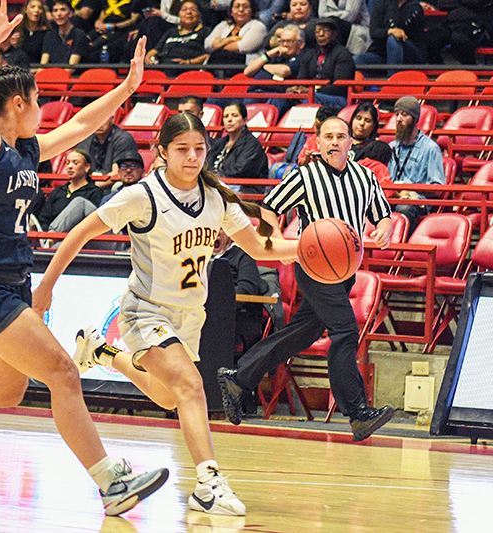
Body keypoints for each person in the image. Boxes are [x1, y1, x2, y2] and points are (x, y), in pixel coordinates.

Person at [0, 0, 168, 516]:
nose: (45, 106)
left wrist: (129, 88)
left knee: (8, 387)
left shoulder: (27, 151)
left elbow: (86, 125)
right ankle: (111, 482)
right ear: (18, 103)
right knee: (64, 373)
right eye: (39, 98)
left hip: (11, 283)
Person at [34, 112, 300, 516]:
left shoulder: (217, 197)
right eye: (182, 150)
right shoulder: (142, 195)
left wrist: (307, 249)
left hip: (190, 317)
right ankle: (209, 483)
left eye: (199, 149)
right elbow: (80, 231)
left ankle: (101, 352)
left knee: (168, 396)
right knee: (192, 386)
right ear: (161, 152)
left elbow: (262, 249)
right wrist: (47, 286)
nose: (192, 157)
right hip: (146, 311)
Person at [219, 116, 397, 443]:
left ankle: (239, 376)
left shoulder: (366, 178)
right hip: (313, 264)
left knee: (303, 332)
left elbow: (382, 214)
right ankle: (357, 413)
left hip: (345, 269)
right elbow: (269, 209)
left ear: (349, 142)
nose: (334, 141)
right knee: (345, 330)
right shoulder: (304, 176)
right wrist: (275, 244)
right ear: (317, 141)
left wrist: (383, 228)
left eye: (340, 136)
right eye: (327, 136)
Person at [268, 18, 355, 116]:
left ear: (334, 34)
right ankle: (267, 130)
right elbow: (301, 79)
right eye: (318, 31)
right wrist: (294, 89)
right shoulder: (310, 54)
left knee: (310, 98)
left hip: (337, 98)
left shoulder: (343, 54)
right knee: (279, 99)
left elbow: (340, 87)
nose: (321, 34)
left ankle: (305, 130)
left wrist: (313, 90)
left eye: (325, 31)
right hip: (312, 93)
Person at [387, 95, 444, 230]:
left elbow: (437, 189)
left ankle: (404, 249)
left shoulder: (430, 148)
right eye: (397, 114)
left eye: (405, 115)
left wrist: (410, 188)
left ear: (415, 119)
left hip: (416, 200)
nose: (399, 119)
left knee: (404, 208)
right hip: (393, 195)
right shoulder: (392, 146)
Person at [207, 101, 268, 195]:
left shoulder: (252, 144)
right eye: (226, 116)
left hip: (245, 190)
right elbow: (208, 161)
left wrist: (213, 177)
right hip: (220, 184)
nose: (229, 120)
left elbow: (239, 171)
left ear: (244, 120)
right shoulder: (221, 142)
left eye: (234, 115)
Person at [36, 149, 104, 232]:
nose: (70, 166)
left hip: (78, 238)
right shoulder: (57, 192)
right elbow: (44, 219)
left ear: (87, 167)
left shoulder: (95, 192)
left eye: (75, 163)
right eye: (67, 163)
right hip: (52, 238)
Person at [353, 0, 425, 69]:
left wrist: (393, 32)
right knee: (357, 60)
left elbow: (400, 26)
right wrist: (389, 31)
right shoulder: (382, 3)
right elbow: (373, 32)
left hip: (408, 53)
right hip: (382, 53)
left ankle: (392, 78)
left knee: (393, 39)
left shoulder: (415, 7)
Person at [145, 0, 210, 71]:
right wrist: (148, 58)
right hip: (165, 66)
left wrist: (189, 62)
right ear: (179, 14)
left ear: (199, 15)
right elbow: (155, 50)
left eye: (193, 9)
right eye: (184, 9)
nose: (188, 12)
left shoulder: (205, 31)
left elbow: (208, 55)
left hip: (188, 69)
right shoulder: (171, 32)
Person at [204, 0, 265, 74]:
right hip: (216, 65)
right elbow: (207, 44)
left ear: (252, 11)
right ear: (231, 11)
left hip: (243, 69)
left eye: (245, 7)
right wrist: (231, 39)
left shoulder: (258, 26)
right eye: (237, 6)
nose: (241, 10)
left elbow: (244, 47)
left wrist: (217, 45)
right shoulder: (224, 25)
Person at [244, 24, 303, 101]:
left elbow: (284, 71)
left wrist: (264, 66)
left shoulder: (302, 57)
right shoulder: (275, 55)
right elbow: (247, 72)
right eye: (282, 41)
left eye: (289, 41)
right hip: (254, 92)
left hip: (274, 95)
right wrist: (268, 54)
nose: (285, 45)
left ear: (301, 44)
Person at [75, 114, 140, 182]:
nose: (98, 124)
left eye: (102, 119)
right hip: (89, 185)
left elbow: (117, 173)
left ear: (112, 120)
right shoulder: (86, 139)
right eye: (95, 120)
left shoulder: (124, 139)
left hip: (112, 186)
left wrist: (92, 188)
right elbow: (78, 169)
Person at [40, 0, 88, 70]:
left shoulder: (79, 35)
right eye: (55, 11)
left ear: (71, 13)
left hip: (73, 78)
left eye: (63, 10)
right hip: (53, 76)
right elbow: (43, 64)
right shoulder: (49, 35)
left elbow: (71, 68)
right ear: (52, 15)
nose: (59, 14)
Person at [14, 0, 49, 64]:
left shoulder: (47, 32)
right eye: (32, 7)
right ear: (25, 10)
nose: (36, 10)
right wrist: (13, 45)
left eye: (40, 8)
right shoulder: (18, 29)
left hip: (37, 68)